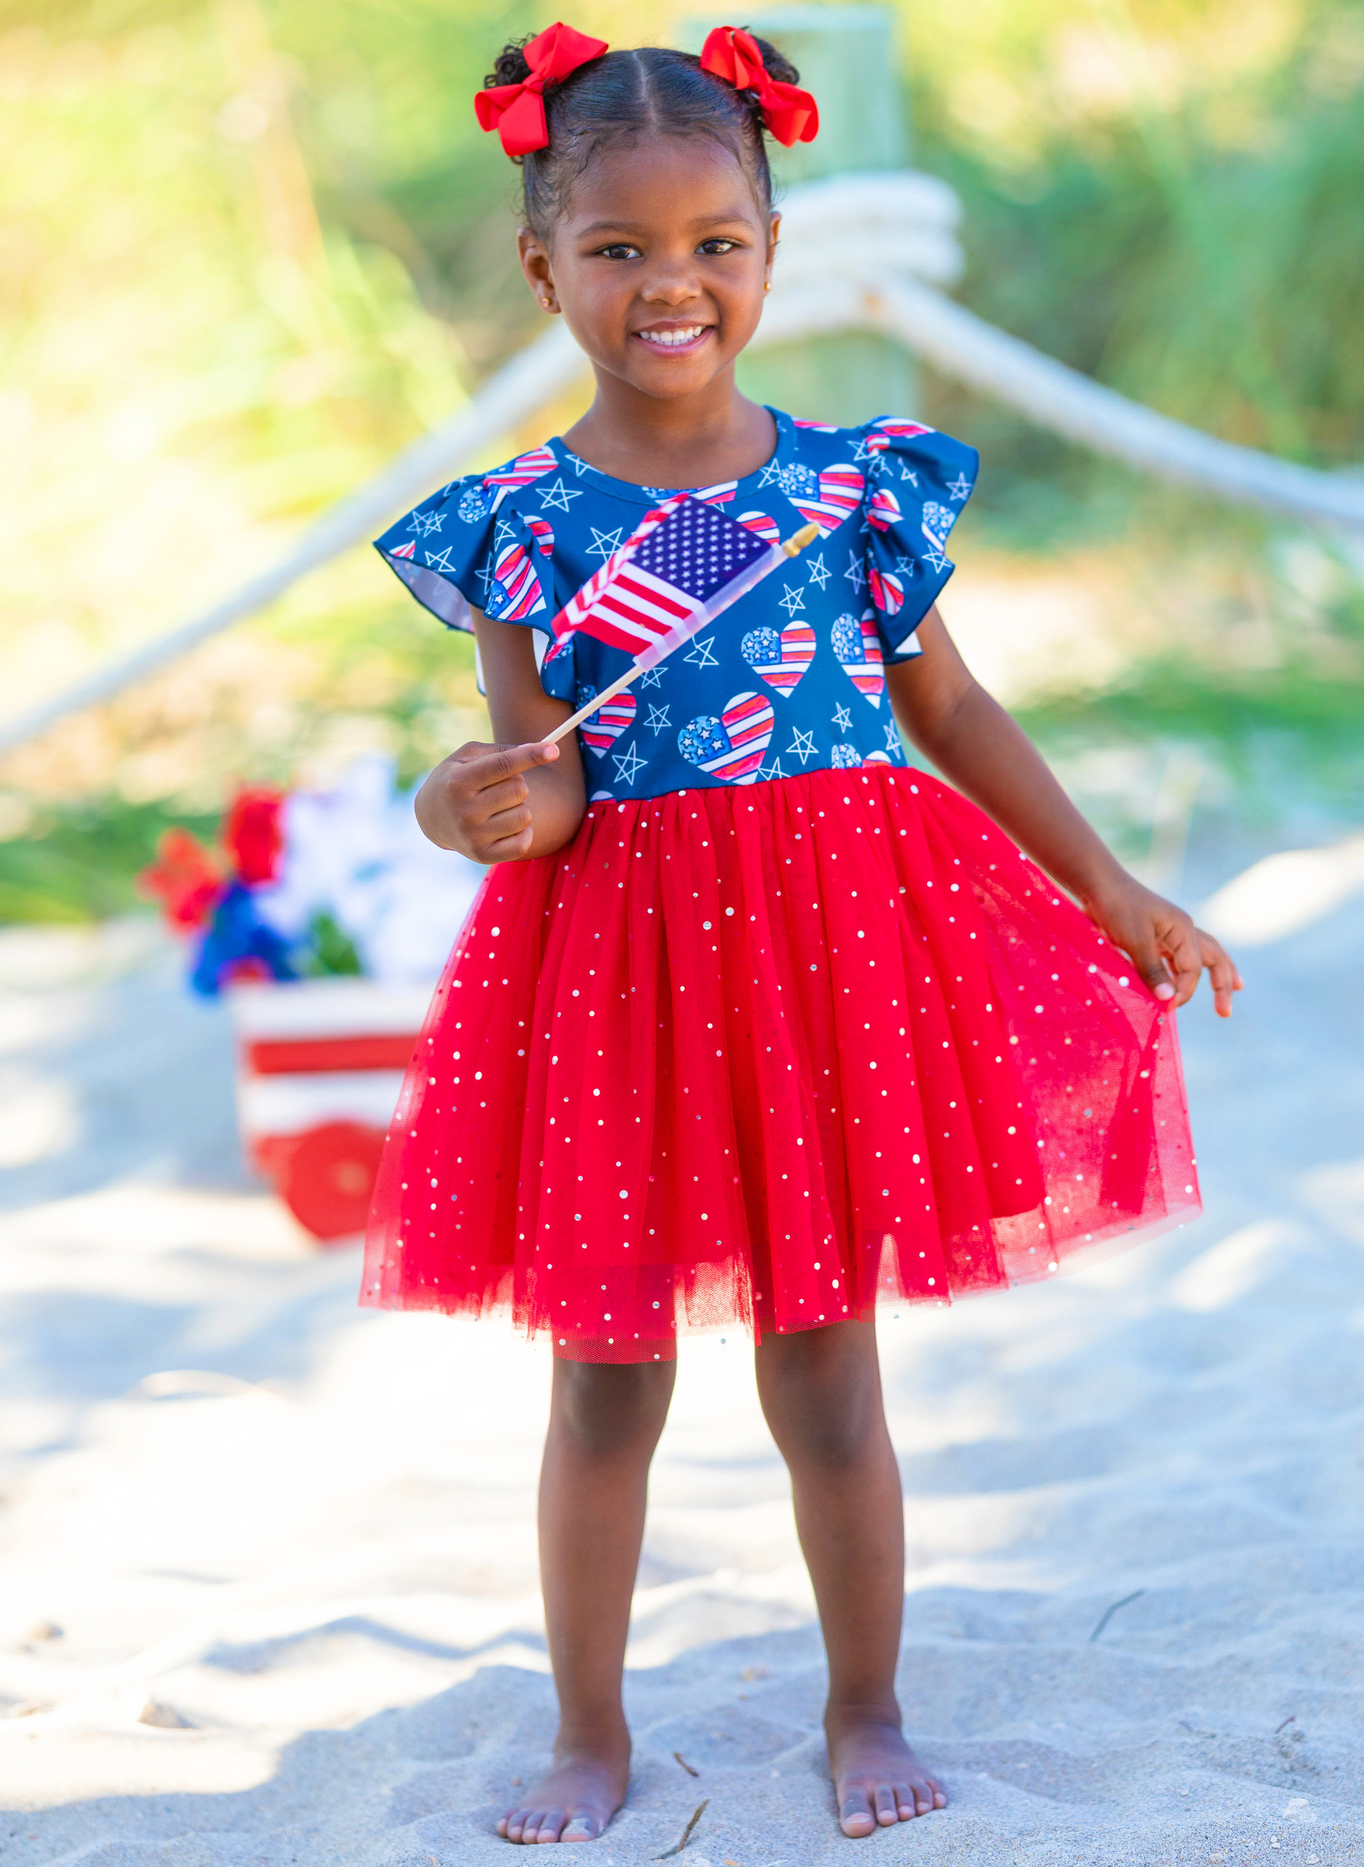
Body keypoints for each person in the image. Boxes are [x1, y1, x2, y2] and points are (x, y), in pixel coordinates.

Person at [363, 22, 1241, 1846]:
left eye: (715, 243)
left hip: (829, 972)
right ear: (541, 266)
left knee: (829, 1372)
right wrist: (468, 805)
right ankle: (587, 1730)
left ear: (772, 251)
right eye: (618, 248)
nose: (671, 284)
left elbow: (953, 709)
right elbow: (543, 780)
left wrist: (1111, 886)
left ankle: (867, 1705)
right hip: (626, 982)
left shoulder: (854, 485)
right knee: (608, 1380)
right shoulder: (519, 526)